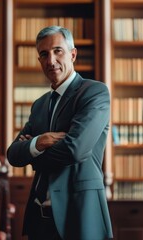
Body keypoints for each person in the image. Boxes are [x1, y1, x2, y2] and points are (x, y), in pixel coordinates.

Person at [7, 26, 113, 240]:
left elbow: (74, 150)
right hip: (39, 219)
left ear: (72, 54)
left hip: (79, 215)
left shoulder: (94, 92)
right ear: (39, 61)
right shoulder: (39, 105)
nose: (51, 60)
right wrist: (40, 142)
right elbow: (13, 154)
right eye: (44, 54)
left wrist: (34, 155)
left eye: (58, 51)